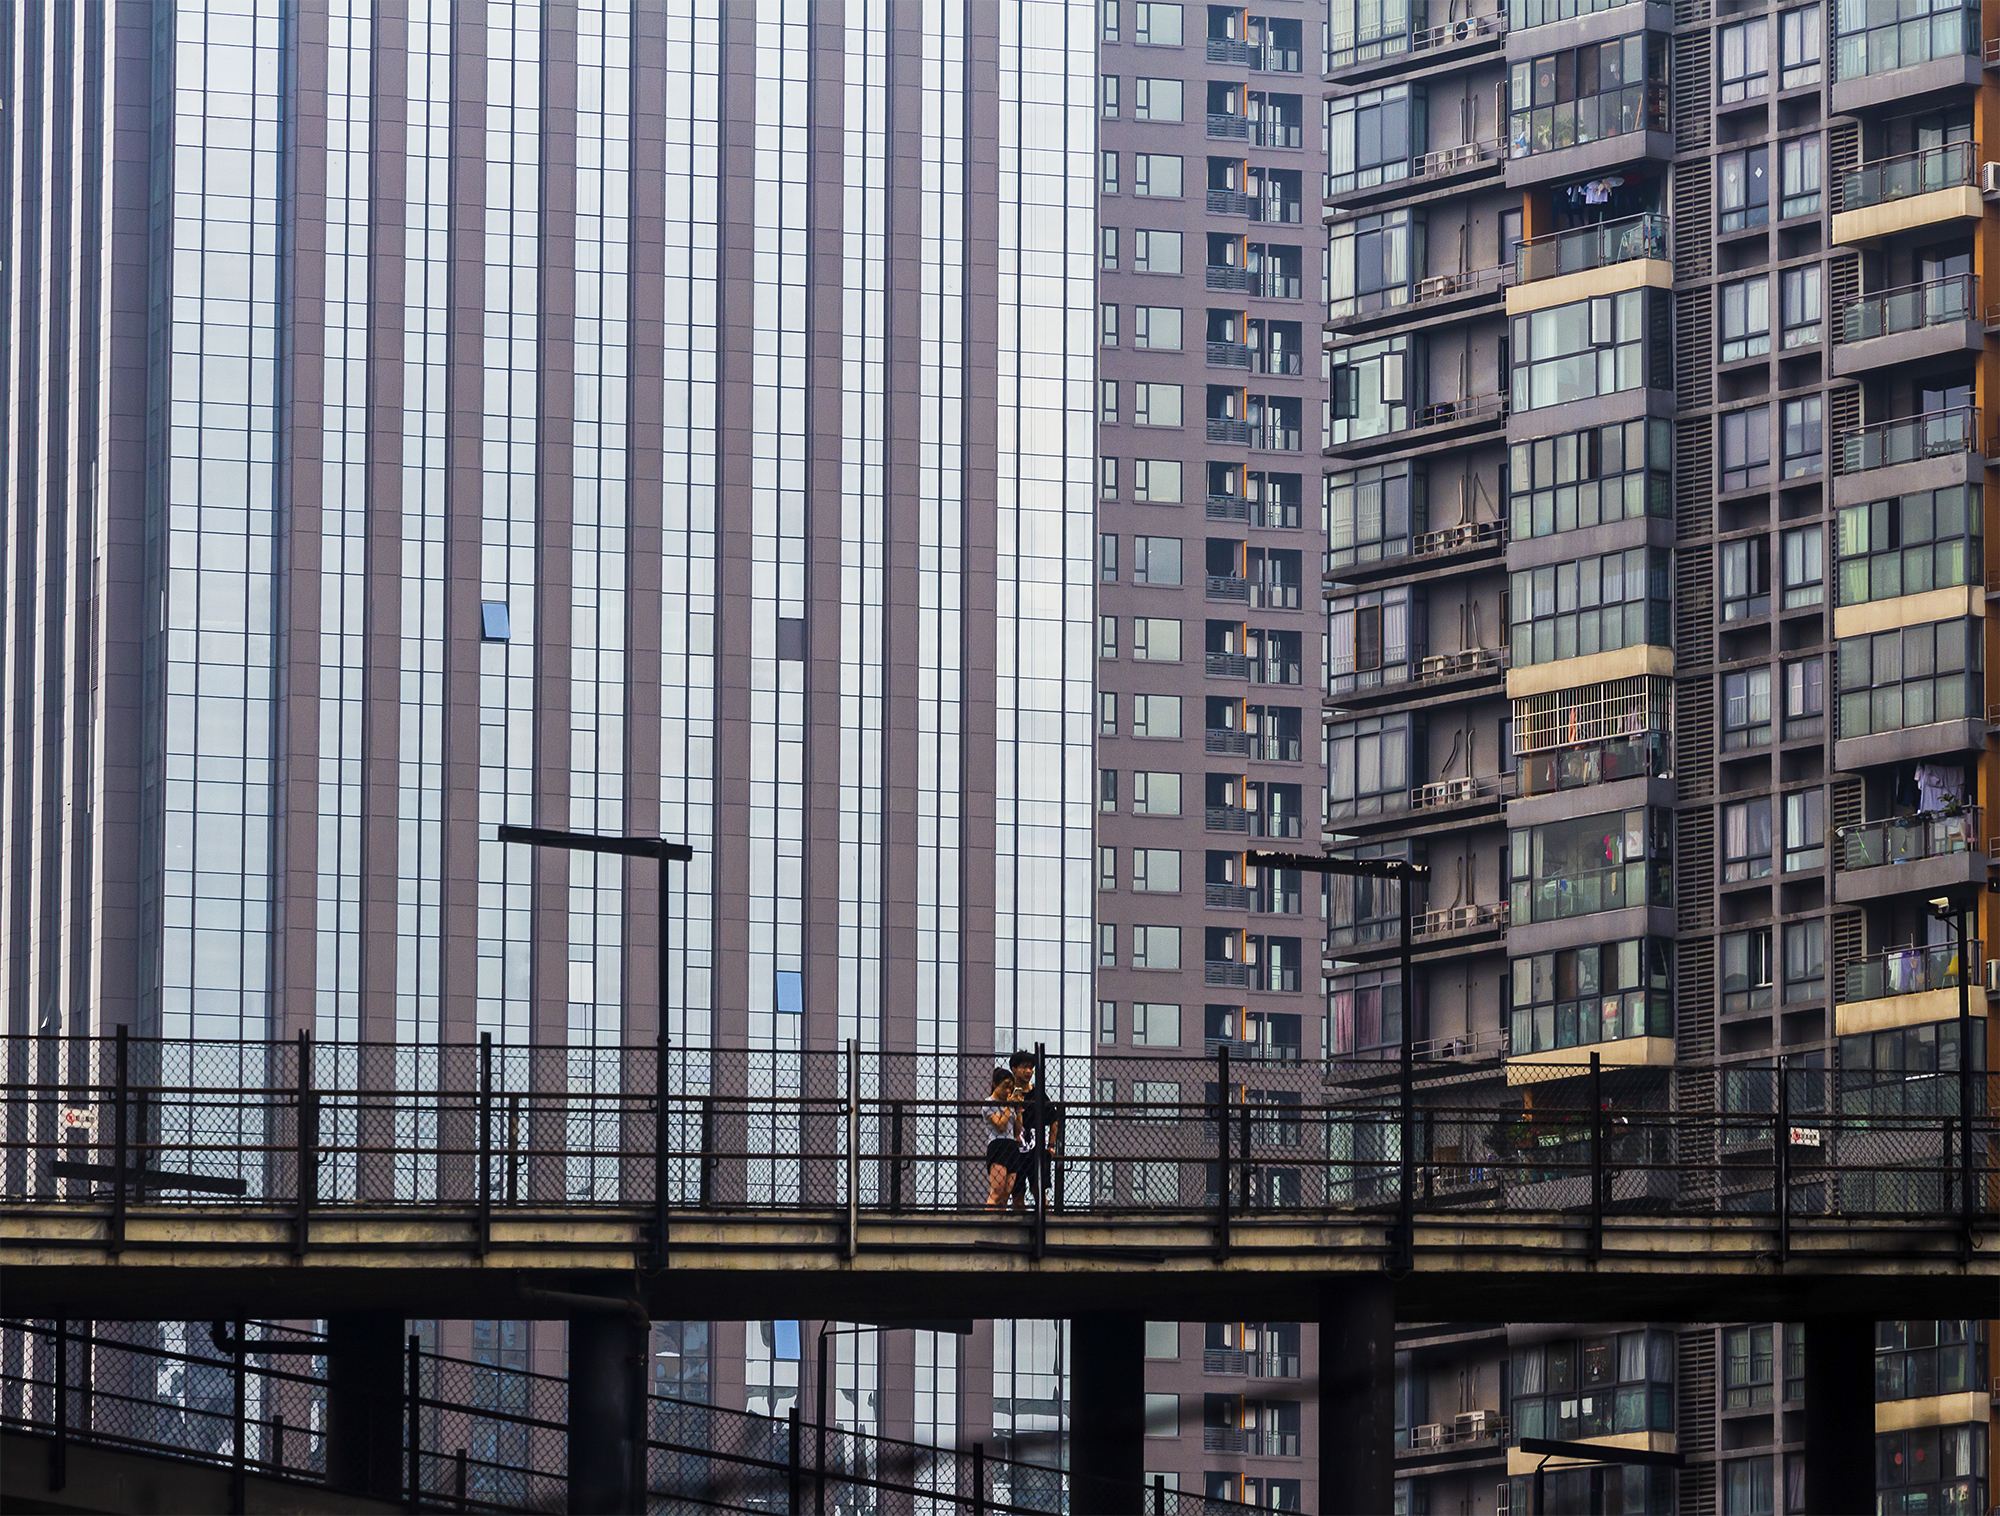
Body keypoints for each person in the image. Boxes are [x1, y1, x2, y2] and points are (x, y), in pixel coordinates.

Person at [1006, 1050, 1062, 1211]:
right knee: (1017, 1194)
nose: (1028, 1071)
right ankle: (1018, 1226)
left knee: (1038, 1190)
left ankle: (1046, 1221)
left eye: (1031, 1068)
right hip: (1013, 1150)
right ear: (1014, 1068)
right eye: (1024, 1067)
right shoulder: (1007, 1094)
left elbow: (1054, 1119)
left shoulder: (1038, 1094)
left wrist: (1051, 1145)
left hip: (1035, 1149)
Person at [984, 1067, 1020, 1209]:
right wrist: (1008, 1106)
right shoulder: (990, 1103)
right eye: (1005, 1087)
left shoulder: (1008, 1104)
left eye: (1010, 1088)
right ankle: (988, 1222)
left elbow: (1017, 1130)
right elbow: (1000, 1126)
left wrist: (1018, 1109)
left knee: (1006, 1193)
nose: (1007, 1092)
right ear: (995, 1085)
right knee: (997, 1191)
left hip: (1012, 1144)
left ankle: (1001, 1220)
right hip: (998, 1145)